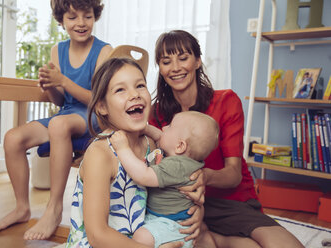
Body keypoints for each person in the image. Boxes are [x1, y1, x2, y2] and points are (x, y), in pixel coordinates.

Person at [149, 30, 305, 248]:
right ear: (160, 67)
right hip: (182, 205)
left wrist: (204, 176)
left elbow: (233, 175)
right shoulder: (156, 116)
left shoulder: (225, 101)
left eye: (183, 58)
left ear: (197, 61)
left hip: (229, 199)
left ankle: (213, 237)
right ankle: (211, 237)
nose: (175, 67)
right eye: (166, 61)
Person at [0, 0, 112, 240]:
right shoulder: (58, 50)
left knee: (58, 124)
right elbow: (59, 101)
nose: (81, 23)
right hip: (66, 115)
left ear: (95, 16)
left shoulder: (104, 51)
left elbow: (99, 100)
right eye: (72, 17)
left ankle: (54, 208)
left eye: (87, 16)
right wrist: (49, 86)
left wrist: (63, 81)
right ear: (61, 20)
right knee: (13, 138)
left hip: (93, 116)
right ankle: (21, 208)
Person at [66, 57, 201, 248]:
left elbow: (173, 183)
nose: (134, 94)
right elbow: (98, 236)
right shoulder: (100, 154)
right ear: (102, 106)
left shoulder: (150, 145)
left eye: (140, 85)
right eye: (120, 89)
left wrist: (196, 209)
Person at [110, 111, 219, 248]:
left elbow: (143, 175)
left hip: (170, 225)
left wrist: (123, 148)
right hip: (173, 219)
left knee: (141, 237)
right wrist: (145, 128)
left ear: (180, 146)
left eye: (170, 126)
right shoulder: (185, 160)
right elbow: (162, 137)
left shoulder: (176, 166)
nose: (164, 128)